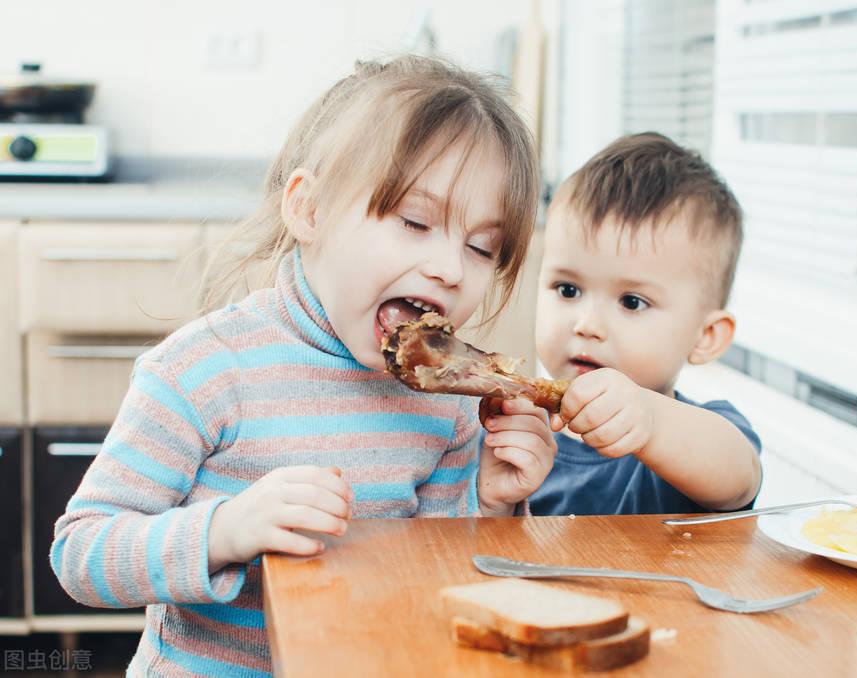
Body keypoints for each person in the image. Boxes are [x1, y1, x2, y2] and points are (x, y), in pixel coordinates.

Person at [50, 56, 556, 676]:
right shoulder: (206, 369)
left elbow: (437, 573)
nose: (451, 268)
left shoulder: (447, 402)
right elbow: (81, 554)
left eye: (482, 247)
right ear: (309, 210)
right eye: (415, 222)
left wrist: (492, 502)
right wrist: (225, 531)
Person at [527, 133, 762, 516]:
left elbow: (740, 477)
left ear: (705, 337)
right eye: (568, 290)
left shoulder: (700, 437)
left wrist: (650, 422)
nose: (587, 325)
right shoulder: (505, 431)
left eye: (632, 302)